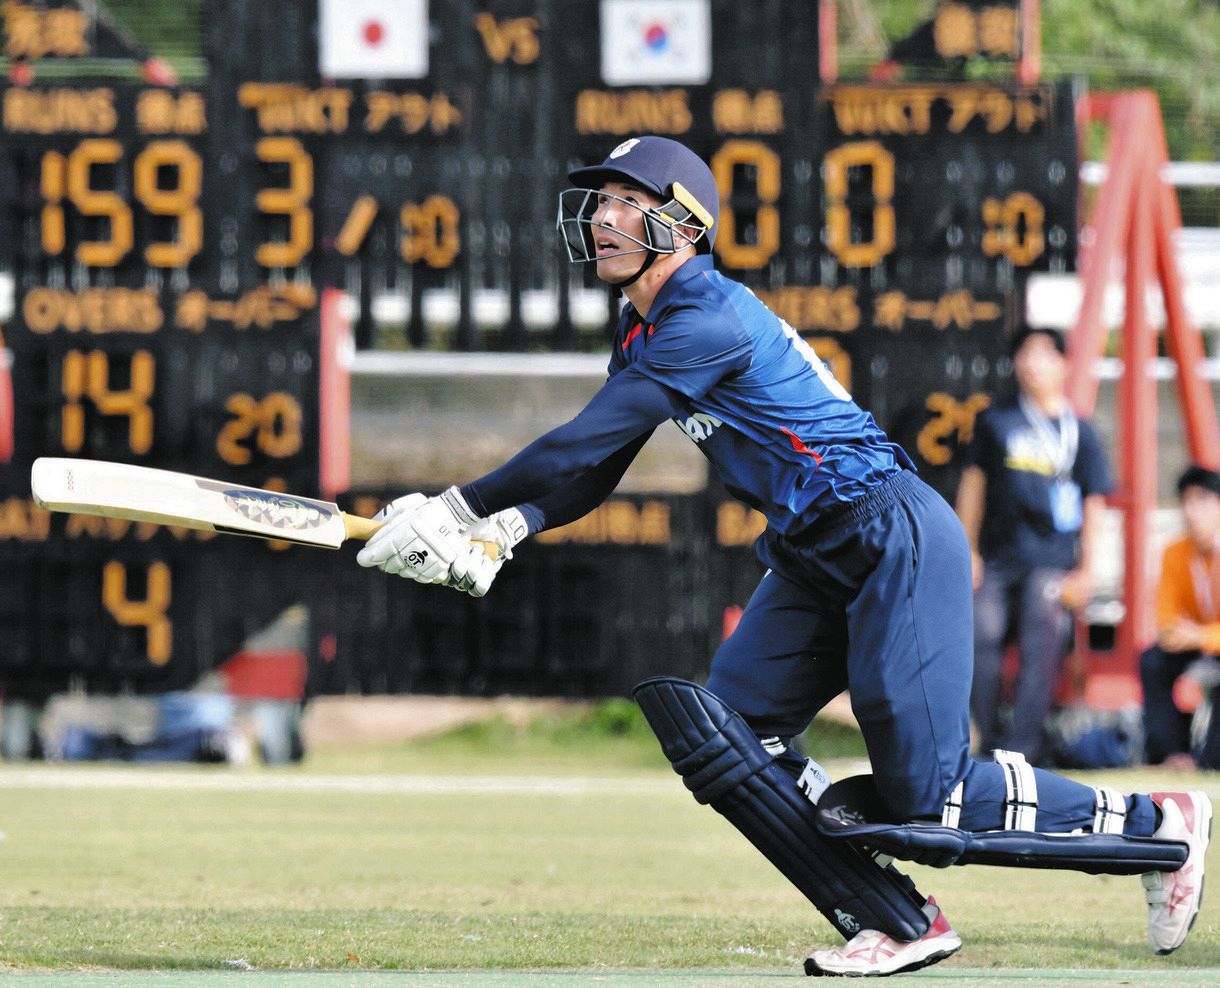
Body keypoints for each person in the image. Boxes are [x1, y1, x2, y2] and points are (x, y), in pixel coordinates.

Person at [356, 136, 1210, 976]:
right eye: (602, 202)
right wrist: (509, 527)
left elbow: (585, 438)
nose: (604, 218)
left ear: (684, 224)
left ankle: (1157, 823)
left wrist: (458, 506)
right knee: (728, 741)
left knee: (929, 795)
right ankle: (896, 919)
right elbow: (599, 466)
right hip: (813, 548)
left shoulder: (705, 317)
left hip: (887, 532)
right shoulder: (643, 324)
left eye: (628, 202)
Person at [955, 326, 1112, 764]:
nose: (1032, 363)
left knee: (1043, 634)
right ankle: (986, 744)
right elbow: (973, 487)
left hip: (1053, 564)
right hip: (997, 561)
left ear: (1063, 364)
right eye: (1025, 353)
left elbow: (1094, 503)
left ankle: (1021, 750)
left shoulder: (1081, 432)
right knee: (979, 631)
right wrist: (967, 551)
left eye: (1044, 354)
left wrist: (1088, 570)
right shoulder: (996, 421)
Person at [1140, 465, 1220, 770]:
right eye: (1186, 501)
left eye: (1202, 500)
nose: (1192, 511)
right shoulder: (1174, 552)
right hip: (1194, 640)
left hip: (1208, 638)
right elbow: (1165, 616)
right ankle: (1171, 752)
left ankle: (1210, 755)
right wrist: (1176, 632)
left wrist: (1202, 635)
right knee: (1153, 660)